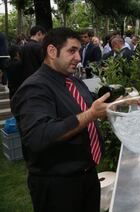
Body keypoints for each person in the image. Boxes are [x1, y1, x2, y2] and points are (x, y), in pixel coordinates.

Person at [11, 28, 110, 212]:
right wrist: (91, 114)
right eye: (72, 51)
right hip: (59, 188)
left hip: (87, 178)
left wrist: (112, 107)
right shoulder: (34, 88)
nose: (79, 57)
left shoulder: (74, 82)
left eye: (79, 51)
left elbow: (89, 107)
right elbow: (39, 135)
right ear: (51, 51)